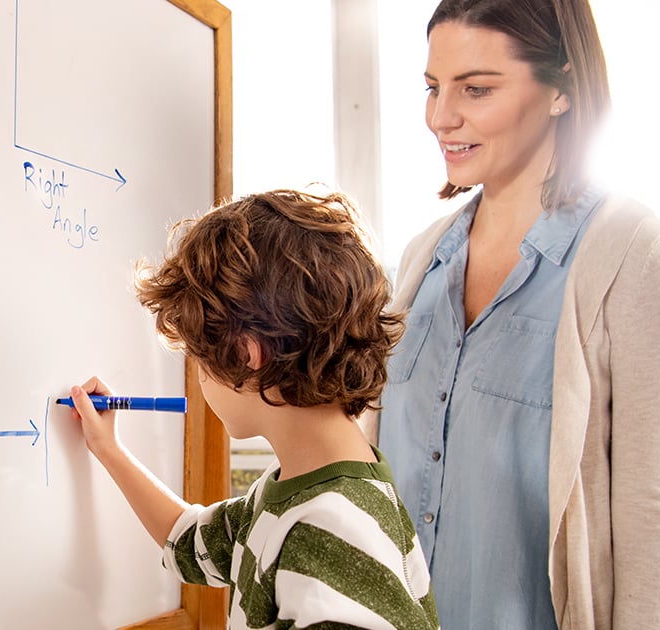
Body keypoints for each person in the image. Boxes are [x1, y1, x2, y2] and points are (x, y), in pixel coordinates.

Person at [374, 1, 660, 629]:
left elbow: (659, 527)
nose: (440, 116)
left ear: (561, 87)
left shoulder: (640, 259)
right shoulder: (421, 260)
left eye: (476, 89)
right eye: (432, 87)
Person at [68, 189, 441, 629]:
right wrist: (107, 447)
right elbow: (188, 543)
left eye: (198, 360)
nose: (200, 378)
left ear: (246, 355)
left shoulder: (332, 532)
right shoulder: (293, 489)